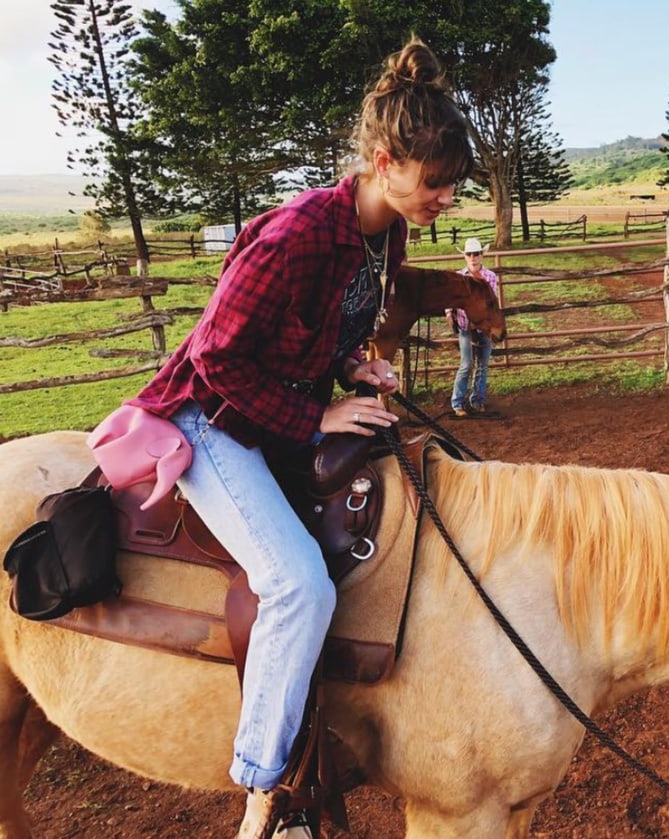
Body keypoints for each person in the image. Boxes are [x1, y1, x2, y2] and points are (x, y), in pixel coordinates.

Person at [104, 37, 472, 839]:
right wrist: (317, 418)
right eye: (436, 181)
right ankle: (264, 792)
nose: (446, 196)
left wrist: (355, 371)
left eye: (451, 184)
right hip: (216, 419)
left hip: (279, 405)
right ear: (384, 160)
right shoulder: (296, 233)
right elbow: (217, 358)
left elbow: (311, 333)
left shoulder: (387, 236)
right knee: (299, 581)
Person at [446, 237, 500, 417]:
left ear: (481, 255)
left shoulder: (490, 277)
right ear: (465, 257)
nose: (473, 258)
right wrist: (448, 313)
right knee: (467, 364)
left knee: (482, 365)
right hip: (465, 326)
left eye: (476, 254)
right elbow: (450, 299)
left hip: (484, 327)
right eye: (469, 254)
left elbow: (490, 304)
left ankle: (477, 400)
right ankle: (457, 402)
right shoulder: (459, 277)